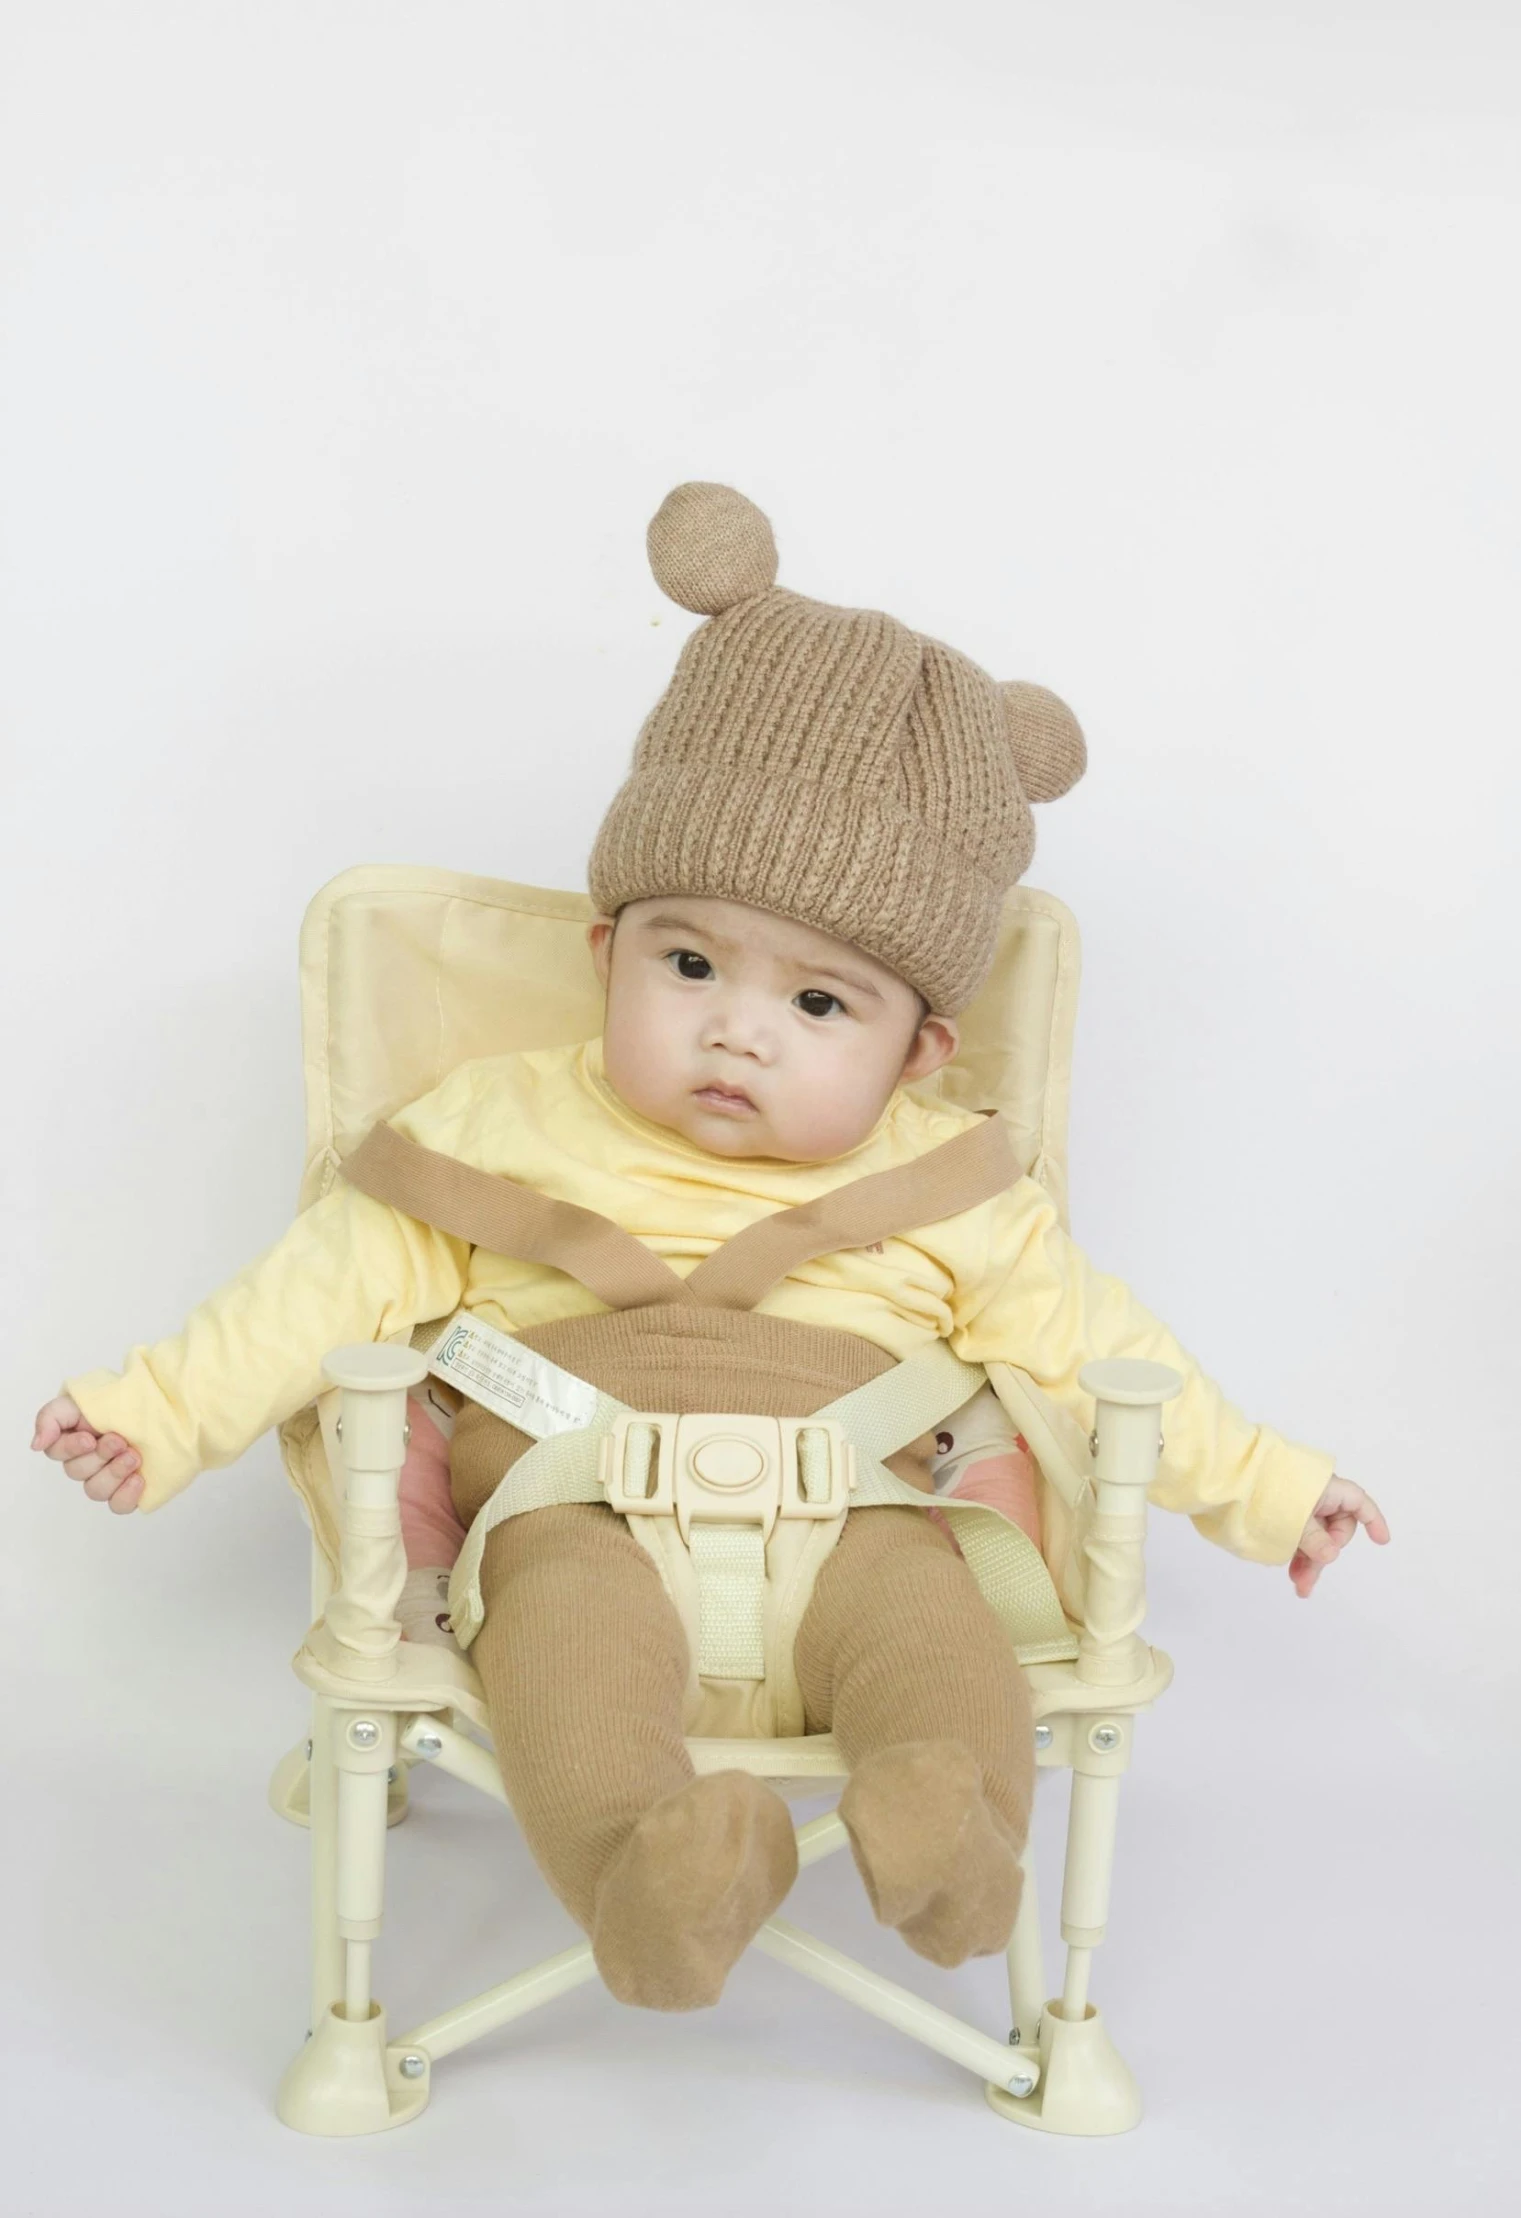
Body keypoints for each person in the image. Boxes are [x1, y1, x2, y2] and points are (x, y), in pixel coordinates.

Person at [32, 483, 1389, 2012]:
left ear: (918, 1052)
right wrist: (151, 1411)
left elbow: (1103, 1346)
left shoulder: (947, 1182)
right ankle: (647, 1866)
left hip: (863, 1517)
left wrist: (1272, 1485)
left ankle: (951, 1827)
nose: (738, 1025)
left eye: (820, 1004)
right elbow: (314, 1290)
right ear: (606, 953)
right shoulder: (494, 1125)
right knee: (566, 1654)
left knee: (941, 1647)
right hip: (573, 1508)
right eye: (688, 962)